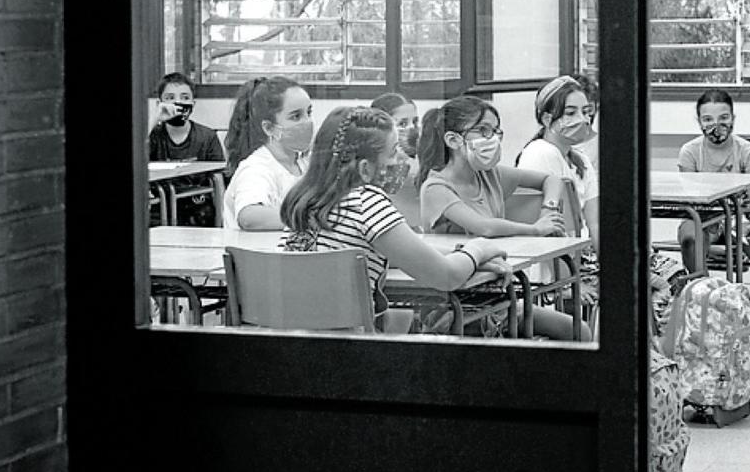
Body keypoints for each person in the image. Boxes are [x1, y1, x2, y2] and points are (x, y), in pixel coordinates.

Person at [279, 106, 511, 333]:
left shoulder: (304, 201)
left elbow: (401, 250)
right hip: (346, 355)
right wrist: (478, 249)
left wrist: (462, 254)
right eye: (392, 152)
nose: (400, 158)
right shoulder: (366, 202)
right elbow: (447, 277)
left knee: (402, 316)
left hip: (286, 348)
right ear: (365, 169)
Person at [418, 95, 591, 342]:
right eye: (484, 131)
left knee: (578, 331)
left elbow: (550, 180)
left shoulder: (490, 175)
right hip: (454, 306)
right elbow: (483, 227)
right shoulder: (436, 187)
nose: (493, 139)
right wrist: (535, 229)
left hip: (500, 298)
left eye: (496, 131)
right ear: (453, 140)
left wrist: (548, 211)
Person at [676, 88, 750, 334]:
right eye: (708, 119)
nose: (716, 125)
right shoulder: (690, 152)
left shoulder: (747, 152)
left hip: (739, 218)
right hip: (705, 216)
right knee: (691, 240)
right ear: (699, 121)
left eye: (724, 118)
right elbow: (689, 202)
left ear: (733, 118)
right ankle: (707, 324)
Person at [516, 75, 601, 308]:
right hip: (558, 266)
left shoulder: (580, 159)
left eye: (586, 111)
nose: (582, 120)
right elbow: (550, 230)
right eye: (571, 113)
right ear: (546, 118)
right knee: (662, 284)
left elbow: (594, 223)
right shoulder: (541, 153)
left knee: (665, 276)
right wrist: (569, 283)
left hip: (583, 257)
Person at [222, 76, 313, 230]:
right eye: (296, 116)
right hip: (258, 252)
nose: (307, 122)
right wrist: (308, 219)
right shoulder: (257, 168)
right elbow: (249, 217)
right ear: (269, 128)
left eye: (309, 113)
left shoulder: (303, 163)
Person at [147, 72, 225, 226]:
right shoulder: (153, 135)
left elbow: (220, 176)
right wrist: (154, 119)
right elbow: (136, 156)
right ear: (160, 103)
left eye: (184, 98)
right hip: (161, 204)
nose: (177, 103)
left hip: (196, 205)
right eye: (170, 98)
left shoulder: (207, 136)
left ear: (193, 104)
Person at [370, 91, 422, 229]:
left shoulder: (422, 158)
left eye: (415, 122)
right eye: (402, 123)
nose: (412, 128)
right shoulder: (372, 165)